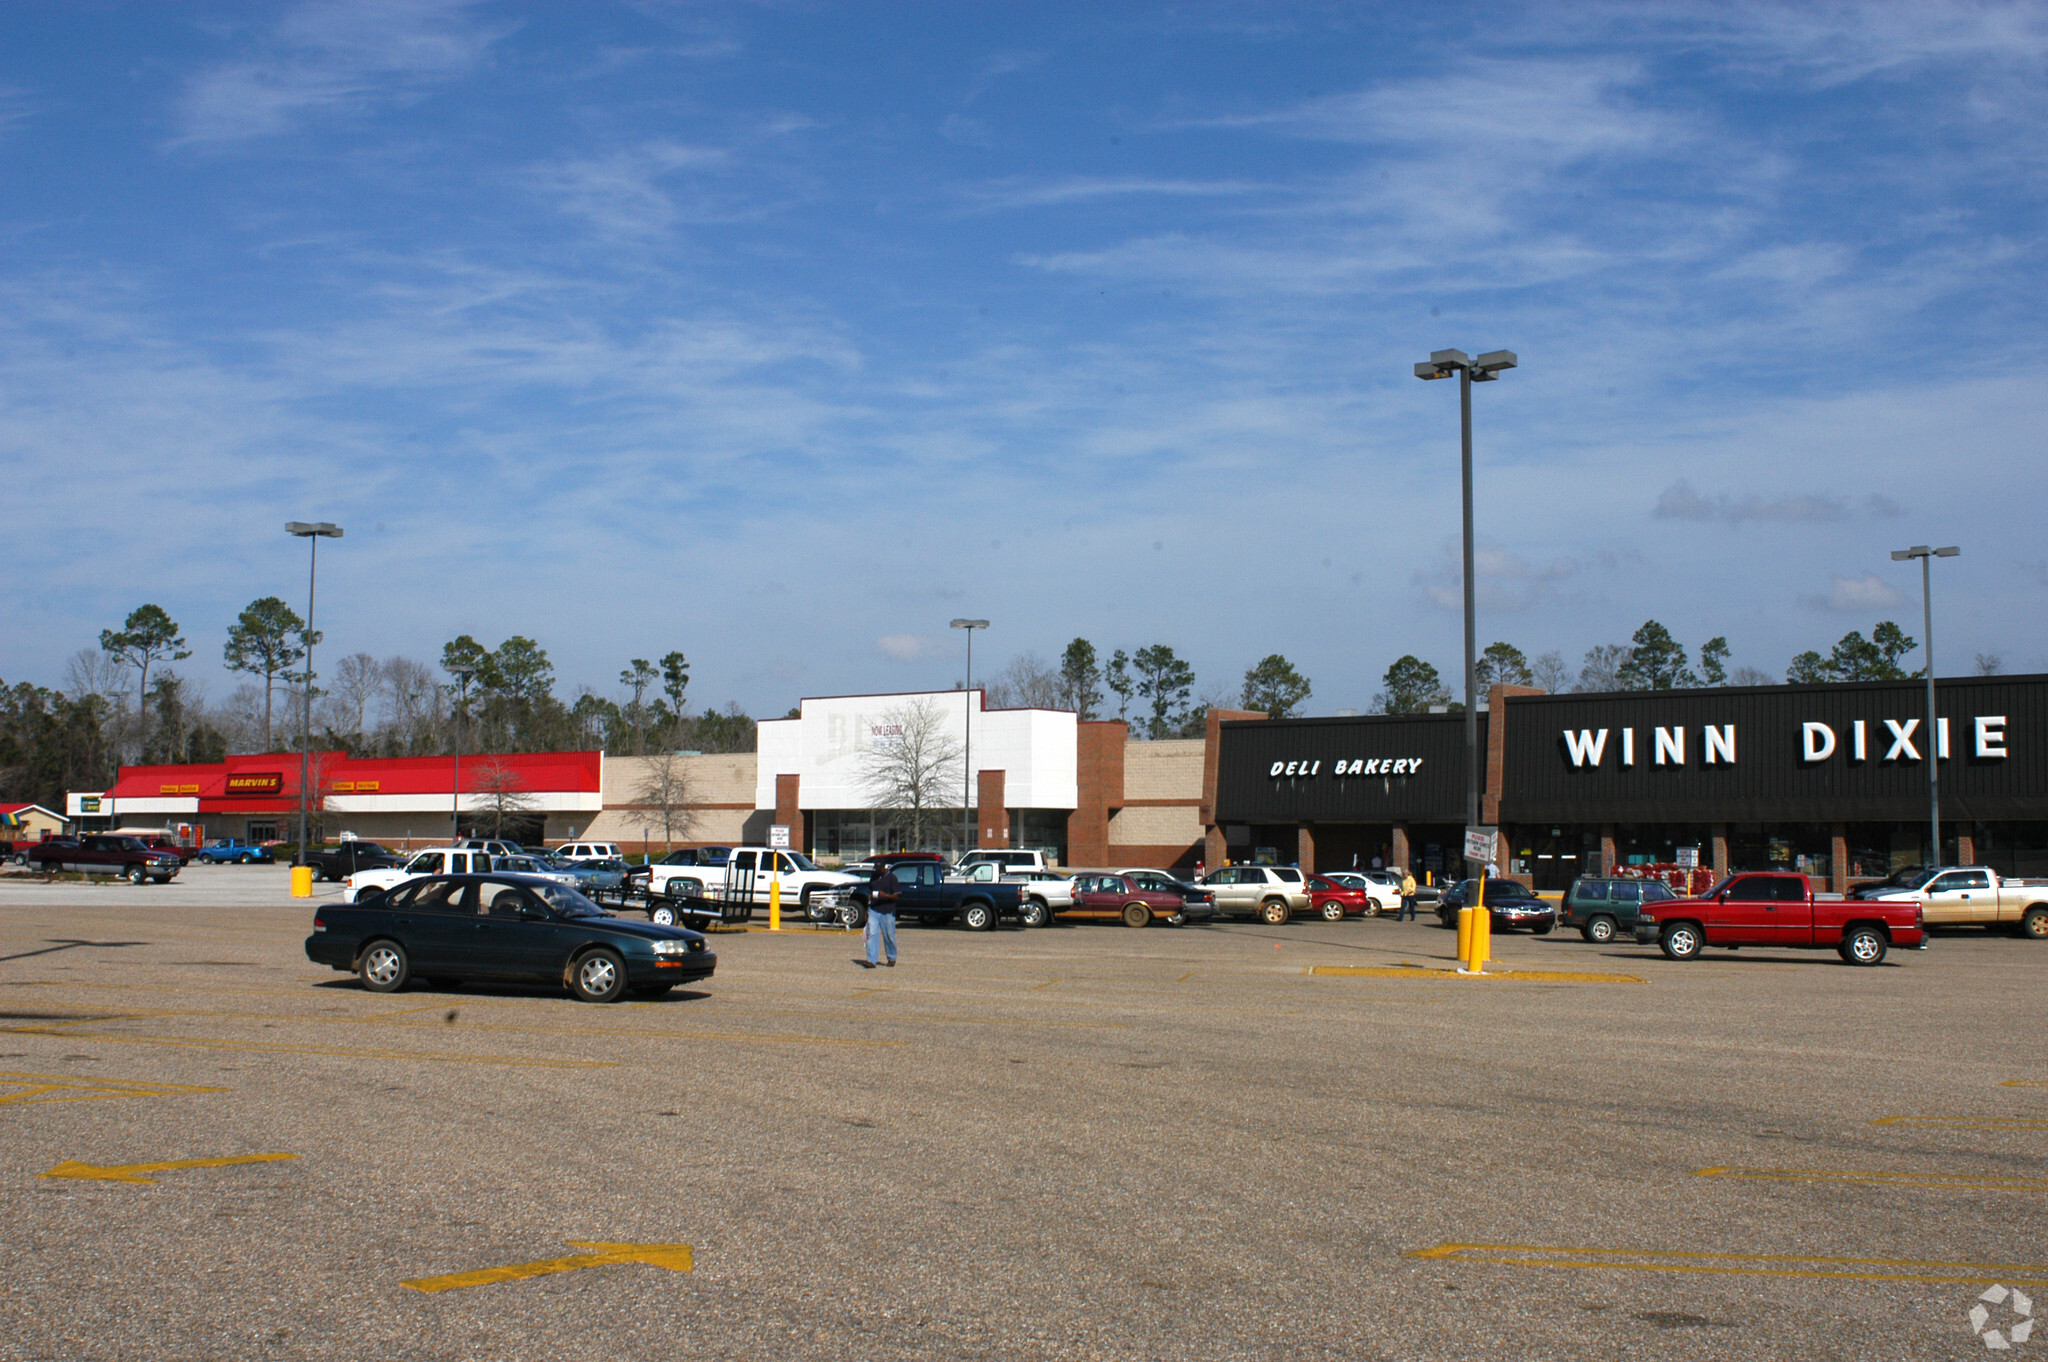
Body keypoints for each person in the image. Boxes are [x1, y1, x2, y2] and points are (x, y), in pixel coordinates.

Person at [863, 866, 901, 968]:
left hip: (887, 910)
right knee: (872, 934)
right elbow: (870, 892)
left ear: (885, 867)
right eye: (876, 869)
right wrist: (867, 910)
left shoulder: (892, 878)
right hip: (874, 909)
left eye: (880, 869)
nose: (878, 871)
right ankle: (871, 960)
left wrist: (886, 896)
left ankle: (891, 957)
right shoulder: (874, 876)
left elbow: (896, 896)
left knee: (889, 935)